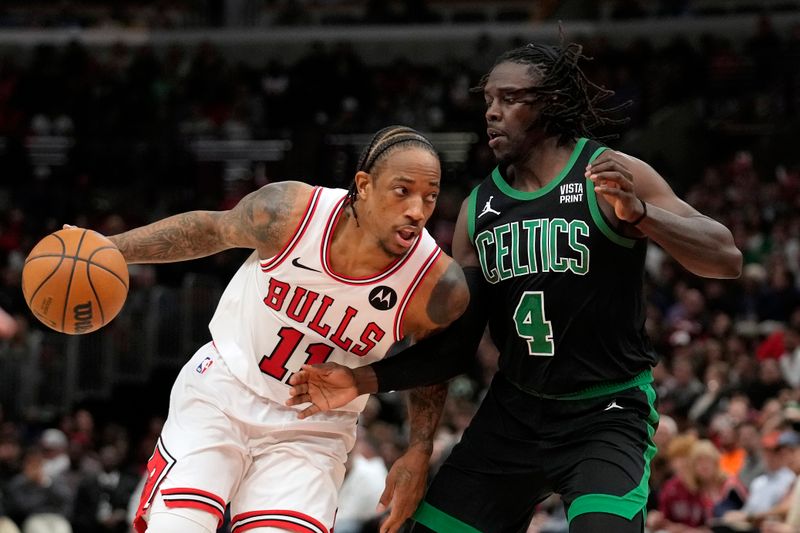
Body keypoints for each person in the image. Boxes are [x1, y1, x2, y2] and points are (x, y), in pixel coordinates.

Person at [286, 40, 743, 533]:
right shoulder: (478, 209)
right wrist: (365, 380)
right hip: (515, 411)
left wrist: (644, 215)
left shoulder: (608, 173)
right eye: (488, 101)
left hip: (605, 412)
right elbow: (454, 347)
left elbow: (725, 257)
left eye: (509, 99)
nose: (493, 113)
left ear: (550, 103)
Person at [77, 125, 469, 533]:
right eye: (402, 190)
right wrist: (111, 249)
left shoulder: (436, 284)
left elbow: (432, 363)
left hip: (313, 427)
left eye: (430, 195)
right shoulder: (291, 212)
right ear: (364, 185)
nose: (418, 210)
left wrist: (419, 450)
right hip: (223, 389)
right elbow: (211, 230)